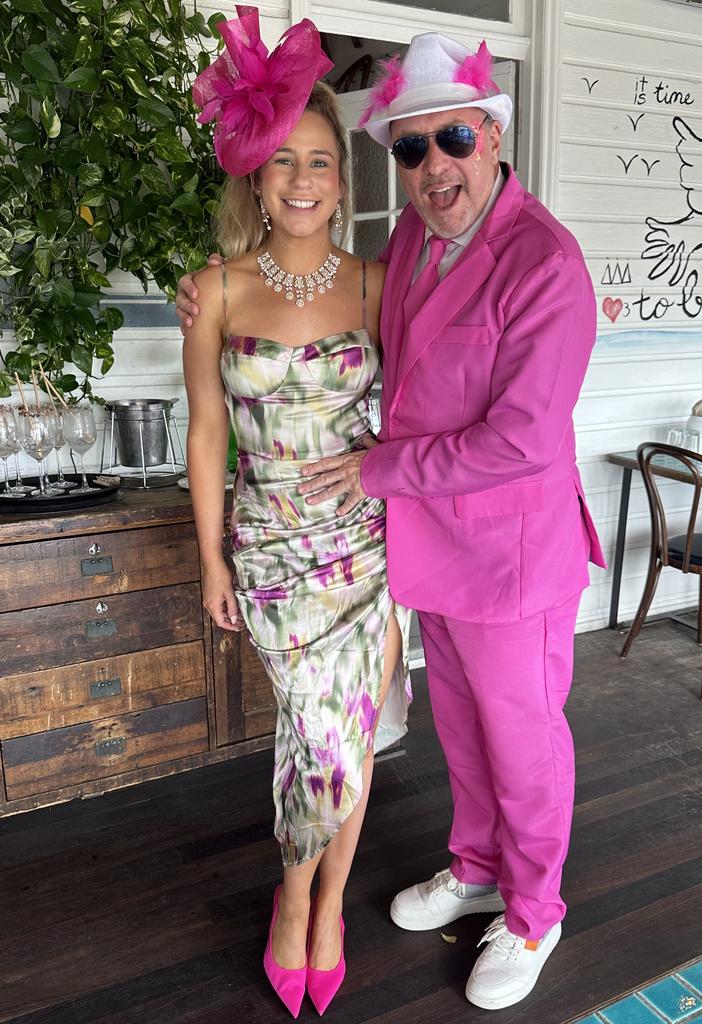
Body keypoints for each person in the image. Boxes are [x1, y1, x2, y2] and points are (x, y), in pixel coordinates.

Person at [178, 30, 606, 1013]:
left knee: (524, 740)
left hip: (508, 556)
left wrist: (373, 468)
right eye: (410, 150)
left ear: (493, 135)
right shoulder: (410, 242)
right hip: (419, 547)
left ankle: (535, 911)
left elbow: (523, 440)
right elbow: (314, 320)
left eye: (452, 139)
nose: (433, 167)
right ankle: (476, 864)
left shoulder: (546, 261)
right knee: (459, 728)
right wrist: (209, 287)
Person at [182, 9, 410, 1018]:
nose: (304, 180)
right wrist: (210, 563)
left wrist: (379, 461)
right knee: (315, 727)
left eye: (320, 161)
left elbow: (419, 412)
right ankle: (297, 894)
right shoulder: (216, 291)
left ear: (341, 176)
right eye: (284, 164)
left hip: (367, 546)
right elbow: (204, 436)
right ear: (255, 177)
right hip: (269, 545)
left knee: (347, 734)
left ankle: (318, 908)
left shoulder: (378, 281)